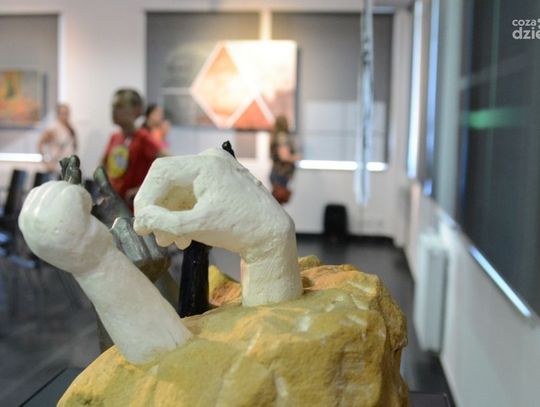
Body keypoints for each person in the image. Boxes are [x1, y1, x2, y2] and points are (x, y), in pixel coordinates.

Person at [102, 89, 168, 207]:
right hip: (115, 205)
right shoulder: (114, 137)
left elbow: (169, 163)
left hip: (134, 209)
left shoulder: (143, 138)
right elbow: (103, 166)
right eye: (113, 106)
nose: (114, 111)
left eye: (119, 106)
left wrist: (143, 188)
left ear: (136, 110)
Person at [269, 115, 300, 204]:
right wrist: (297, 157)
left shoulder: (275, 136)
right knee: (278, 204)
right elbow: (284, 157)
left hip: (278, 173)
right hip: (280, 175)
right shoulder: (282, 137)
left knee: (277, 204)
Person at [38, 103, 77, 173]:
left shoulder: (70, 128)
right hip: (57, 167)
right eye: (63, 113)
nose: (65, 115)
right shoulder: (53, 128)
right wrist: (46, 163)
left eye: (67, 113)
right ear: (58, 114)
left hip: (69, 167)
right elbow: (40, 144)